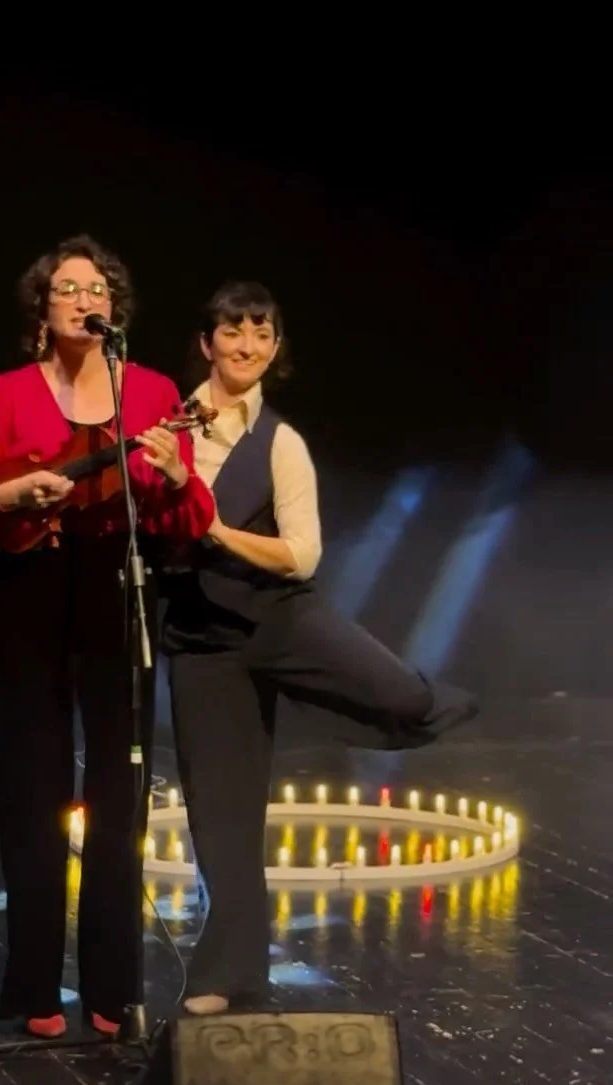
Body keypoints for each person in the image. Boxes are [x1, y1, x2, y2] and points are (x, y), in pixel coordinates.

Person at [160, 280, 479, 1016]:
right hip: (204, 641)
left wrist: (214, 529)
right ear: (207, 343)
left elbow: (301, 557)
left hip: (281, 618)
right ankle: (229, 973)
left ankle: (435, 702)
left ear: (276, 348)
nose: (247, 346)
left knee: (399, 694)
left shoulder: (282, 443)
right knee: (222, 814)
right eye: (233, 332)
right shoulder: (167, 428)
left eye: (261, 334)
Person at [0, 234, 215, 1039]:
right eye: (67, 288)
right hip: (32, 584)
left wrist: (174, 474)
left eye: (97, 289)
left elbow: (188, 518)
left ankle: (112, 986)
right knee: (34, 782)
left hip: (117, 586)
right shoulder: (7, 392)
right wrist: (9, 495)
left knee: (120, 786)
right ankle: (32, 988)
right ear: (43, 307)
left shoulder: (152, 390)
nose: (83, 299)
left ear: (113, 309)